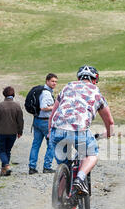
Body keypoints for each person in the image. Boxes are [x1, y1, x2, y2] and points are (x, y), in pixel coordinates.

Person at [48, 65, 114, 194]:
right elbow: (109, 121)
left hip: (57, 130)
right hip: (79, 130)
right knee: (91, 155)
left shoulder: (67, 87)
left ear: (79, 78)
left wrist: (50, 132)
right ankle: (80, 178)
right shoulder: (96, 92)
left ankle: (60, 203)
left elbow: (52, 115)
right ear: (95, 79)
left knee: (64, 168)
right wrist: (109, 133)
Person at [0, 86, 24, 176]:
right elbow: (20, 120)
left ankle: (6, 165)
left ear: (4, 94)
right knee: (7, 150)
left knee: (1, 150)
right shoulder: (17, 105)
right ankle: (4, 171)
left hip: (1, 132)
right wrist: (20, 131)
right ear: (13, 94)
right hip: (13, 133)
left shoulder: (0, 105)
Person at [28, 73, 58, 174]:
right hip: (45, 121)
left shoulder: (42, 91)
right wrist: (55, 106)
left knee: (36, 144)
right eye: (53, 81)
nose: (54, 83)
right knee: (51, 144)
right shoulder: (46, 93)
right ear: (47, 81)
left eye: (56, 81)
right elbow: (43, 107)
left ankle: (32, 167)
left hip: (37, 120)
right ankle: (47, 167)